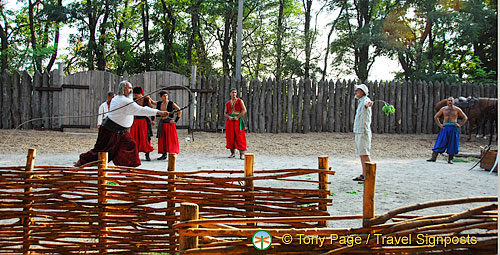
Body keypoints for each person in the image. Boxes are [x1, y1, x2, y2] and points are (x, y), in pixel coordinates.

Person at [75, 81, 169, 167]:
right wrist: (159, 112)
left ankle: (126, 168)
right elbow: (141, 110)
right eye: (129, 88)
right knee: (100, 151)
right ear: (123, 89)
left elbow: (136, 106)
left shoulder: (122, 99)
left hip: (122, 132)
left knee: (130, 146)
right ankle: (81, 162)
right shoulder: (123, 101)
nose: (131, 90)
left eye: (131, 88)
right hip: (109, 131)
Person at [427, 97, 468, 164]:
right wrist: (440, 125)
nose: (450, 102)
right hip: (445, 127)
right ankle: (433, 157)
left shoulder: (457, 109)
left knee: (452, 143)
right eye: (449, 100)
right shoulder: (443, 109)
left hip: (453, 128)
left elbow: (465, 117)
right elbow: (436, 116)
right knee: (440, 141)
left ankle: (450, 159)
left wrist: (460, 125)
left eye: (451, 101)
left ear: (453, 102)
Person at [352, 84, 374, 183]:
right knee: (361, 154)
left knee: (365, 154)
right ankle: (364, 174)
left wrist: (368, 104)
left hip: (363, 132)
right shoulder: (360, 101)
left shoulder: (365, 100)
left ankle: (370, 177)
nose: (355, 92)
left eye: (357, 90)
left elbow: (367, 103)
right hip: (358, 131)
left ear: (362, 92)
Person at [129, 86, 155, 161]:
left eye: (136, 94)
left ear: (140, 94)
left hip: (144, 121)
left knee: (146, 137)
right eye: (134, 95)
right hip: (136, 121)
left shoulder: (146, 99)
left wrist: (153, 119)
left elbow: (151, 109)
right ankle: (135, 154)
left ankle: (147, 155)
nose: (135, 96)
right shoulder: (133, 100)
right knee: (135, 137)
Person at [156, 90, 181, 160]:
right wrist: (148, 98)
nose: (166, 97)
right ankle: (164, 154)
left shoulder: (171, 103)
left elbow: (179, 110)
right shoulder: (160, 103)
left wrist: (175, 120)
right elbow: (153, 103)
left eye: (166, 95)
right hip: (162, 123)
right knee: (162, 139)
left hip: (169, 123)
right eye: (164, 96)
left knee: (170, 139)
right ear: (161, 97)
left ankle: (172, 153)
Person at [224, 88, 247, 159]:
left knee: (240, 136)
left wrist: (238, 117)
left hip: (238, 120)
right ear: (230, 93)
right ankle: (232, 153)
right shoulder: (227, 103)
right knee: (230, 136)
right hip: (230, 121)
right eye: (232, 92)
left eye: (235, 92)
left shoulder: (240, 101)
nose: (234, 94)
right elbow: (225, 113)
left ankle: (242, 154)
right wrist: (229, 117)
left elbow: (244, 110)